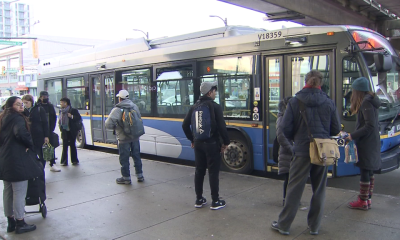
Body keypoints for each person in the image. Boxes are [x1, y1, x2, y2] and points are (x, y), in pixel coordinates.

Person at [271, 70, 341, 235]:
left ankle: (284, 225)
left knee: (294, 188)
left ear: (306, 81)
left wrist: (298, 136)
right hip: (322, 151)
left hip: (302, 150)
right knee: (319, 189)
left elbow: (285, 129)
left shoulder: (295, 102)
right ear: (320, 84)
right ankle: (314, 226)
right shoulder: (329, 102)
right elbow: (336, 129)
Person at [182, 81, 230, 210]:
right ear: (210, 92)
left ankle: (199, 199)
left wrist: (192, 139)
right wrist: (226, 143)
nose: (215, 93)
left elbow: (185, 125)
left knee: (199, 171)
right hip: (212, 144)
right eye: (214, 90)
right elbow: (222, 127)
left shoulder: (194, 106)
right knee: (213, 172)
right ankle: (215, 201)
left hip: (198, 144)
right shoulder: (215, 107)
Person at [0, 96, 41, 234]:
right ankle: (20, 222)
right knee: (19, 192)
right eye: (18, 104)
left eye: (22, 104)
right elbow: (21, 133)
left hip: (5, 159)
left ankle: (10, 221)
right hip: (17, 160)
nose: (21, 106)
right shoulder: (17, 118)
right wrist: (29, 144)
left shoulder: (3, 118)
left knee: (8, 191)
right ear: (11, 106)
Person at [345, 77, 381, 210]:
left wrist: (351, 136)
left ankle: (362, 201)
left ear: (357, 91)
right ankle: (367, 199)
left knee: (365, 170)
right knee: (369, 171)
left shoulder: (365, 103)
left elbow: (369, 125)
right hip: (372, 140)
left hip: (366, 142)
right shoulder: (372, 100)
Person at [105, 89, 144, 184]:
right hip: (135, 137)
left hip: (123, 138)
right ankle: (140, 176)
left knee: (124, 158)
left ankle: (126, 178)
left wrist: (117, 126)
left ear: (119, 98)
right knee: (136, 156)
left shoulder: (117, 109)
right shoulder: (134, 106)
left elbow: (108, 124)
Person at [21, 95, 51, 169]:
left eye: (26, 103)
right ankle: (34, 171)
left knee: (41, 154)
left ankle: (41, 170)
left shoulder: (39, 109)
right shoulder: (24, 111)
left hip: (39, 135)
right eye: (23, 103)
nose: (25, 105)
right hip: (29, 136)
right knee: (31, 154)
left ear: (31, 102)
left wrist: (46, 135)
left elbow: (45, 123)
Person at [276, 96, 293, 206]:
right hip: (287, 153)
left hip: (290, 152)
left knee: (291, 177)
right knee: (288, 177)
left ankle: (289, 200)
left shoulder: (290, 118)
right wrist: (292, 149)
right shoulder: (282, 118)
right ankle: (286, 200)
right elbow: (280, 137)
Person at [37, 91, 60, 172]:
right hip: (39, 131)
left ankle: (52, 163)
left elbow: (54, 118)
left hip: (49, 130)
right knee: (40, 148)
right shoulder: (37, 106)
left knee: (51, 147)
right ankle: (41, 165)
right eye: (44, 96)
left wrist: (51, 129)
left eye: (46, 96)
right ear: (40, 97)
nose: (45, 98)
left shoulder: (50, 106)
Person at [59, 97, 82, 166]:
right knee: (65, 146)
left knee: (72, 145)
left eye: (61, 103)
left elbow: (79, 118)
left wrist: (71, 116)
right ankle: (64, 161)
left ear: (66, 103)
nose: (60, 104)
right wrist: (60, 127)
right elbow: (60, 120)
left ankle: (74, 160)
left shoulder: (73, 110)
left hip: (71, 130)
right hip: (64, 131)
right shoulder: (61, 111)